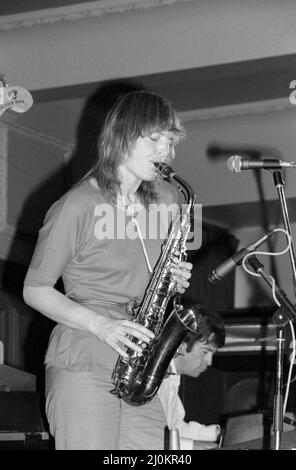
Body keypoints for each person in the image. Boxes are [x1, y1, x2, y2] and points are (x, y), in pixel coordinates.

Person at [22, 90, 194, 450]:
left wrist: (173, 279)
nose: (167, 151)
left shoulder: (164, 202)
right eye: (156, 138)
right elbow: (34, 289)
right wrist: (102, 325)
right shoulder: (78, 205)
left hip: (139, 366)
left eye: (171, 141)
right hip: (85, 359)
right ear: (124, 135)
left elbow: (152, 278)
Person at [158, 303, 226, 450]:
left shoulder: (173, 375)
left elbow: (176, 428)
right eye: (205, 352)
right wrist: (197, 447)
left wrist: (218, 434)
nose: (209, 362)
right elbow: (156, 438)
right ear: (182, 344)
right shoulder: (158, 378)